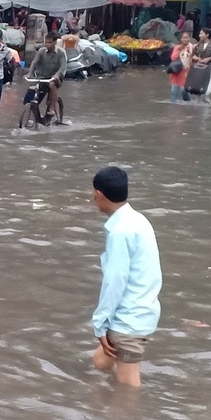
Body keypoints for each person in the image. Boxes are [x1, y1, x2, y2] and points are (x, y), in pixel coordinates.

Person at [89, 166, 161, 389]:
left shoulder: (120, 232)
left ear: (99, 194)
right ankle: (100, 402)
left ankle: (126, 412)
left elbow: (114, 281)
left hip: (129, 319)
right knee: (100, 362)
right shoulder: (138, 220)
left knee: (127, 388)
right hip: (143, 309)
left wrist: (100, 324)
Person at [25, 33, 66, 121]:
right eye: (46, 42)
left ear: (55, 42)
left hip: (55, 78)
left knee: (51, 84)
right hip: (42, 77)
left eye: (50, 42)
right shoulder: (41, 51)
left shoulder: (61, 52)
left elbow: (63, 67)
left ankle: (52, 108)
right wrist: (29, 73)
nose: (47, 44)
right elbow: (34, 63)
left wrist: (56, 75)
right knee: (32, 92)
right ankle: (36, 117)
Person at [191, 27, 211, 103]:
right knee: (198, 85)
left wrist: (209, 58)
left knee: (207, 87)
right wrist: (196, 57)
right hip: (199, 67)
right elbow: (193, 54)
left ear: (207, 35)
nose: (199, 35)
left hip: (210, 67)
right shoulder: (199, 44)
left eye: (201, 33)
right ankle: (198, 103)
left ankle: (207, 102)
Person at [167, 31, 193, 103]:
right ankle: (173, 105)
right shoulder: (177, 47)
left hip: (187, 71)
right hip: (177, 70)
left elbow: (193, 58)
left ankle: (188, 103)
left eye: (187, 37)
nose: (185, 39)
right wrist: (180, 50)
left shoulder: (192, 47)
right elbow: (173, 58)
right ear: (181, 39)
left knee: (183, 89)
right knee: (174, 91)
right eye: (183, 38)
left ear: (189, 38)